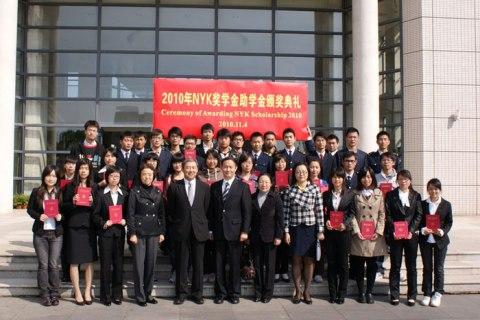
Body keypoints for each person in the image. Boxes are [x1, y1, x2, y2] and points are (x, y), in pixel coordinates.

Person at [166, 159, 210, 305]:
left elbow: (206, 209)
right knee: (181, 263)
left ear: (197, 170)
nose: (191, 170)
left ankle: (198, 293)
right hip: (181, 230)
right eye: (188, 167)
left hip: (199, 229)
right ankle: (181, 293)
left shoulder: (204, 187)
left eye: (193, 168)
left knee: (198, 263)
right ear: (183, 169)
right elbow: (170, 210)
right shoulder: (174, 187)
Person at [208, 157, 252, 305]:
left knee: (234, 263)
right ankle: (220, 292)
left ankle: (234, 292)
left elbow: (247, 212)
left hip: (236, 230)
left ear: (235, 168)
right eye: (225, 167)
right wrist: (210, 229)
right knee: (218, 263)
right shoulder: (214, 186)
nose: (227, 169)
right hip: (219, 230)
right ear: (221, 167)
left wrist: (245, 231)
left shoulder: (243, 187)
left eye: (230, 167)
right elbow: (211, 211)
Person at [283, 163, 324, 304]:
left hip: (310, 228)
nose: (301, 174)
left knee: (309, 260)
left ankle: (307, 290)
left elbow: (319, 211)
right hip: (295, 228)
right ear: (294, 174)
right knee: (296, 260)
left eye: (304, 172)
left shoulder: (315, 189)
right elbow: (286, 212)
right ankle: (297, 290)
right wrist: (286, 231)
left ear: (308, 173)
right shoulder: (290, 190)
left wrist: (320, 230)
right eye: (298, 172)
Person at [127, 164, 166, 306]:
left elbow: (162, 213)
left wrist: (162, 232)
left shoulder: (157, 191)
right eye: (144, 174)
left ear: (154, 176)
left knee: (151, 263)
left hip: (154, 232)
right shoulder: (134, 191)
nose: (147, 177)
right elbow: (130, 214)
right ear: (140, 175)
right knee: (139, 265)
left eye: (150, 174)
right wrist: (132, 233)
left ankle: (148, 293)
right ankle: (140, 295)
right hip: (139, 232)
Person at [61, 158, 97, 305]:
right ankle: (77, 291)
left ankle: (87, 290)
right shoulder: (70, 186)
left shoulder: (94, 187)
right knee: (74, 261)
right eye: (81, 168)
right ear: (77, 170)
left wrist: (93, 202)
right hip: (74, 227)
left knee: (89, 262)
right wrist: (72, 202)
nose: (83, 171)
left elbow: (100, 209)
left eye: (86, 168)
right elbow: (62, 207)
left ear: (90, 171)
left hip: (89, 227)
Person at [384, 169, 423, 306]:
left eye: (406, 179)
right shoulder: (390, 195)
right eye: (401, 179)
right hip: (396, 235)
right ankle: (394, 295)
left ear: (410, 181)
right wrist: (393, 229)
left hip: (411, 236)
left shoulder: (416, 195)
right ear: (397, 180)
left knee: (411, 266)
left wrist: (411, 230)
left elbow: (419, 215)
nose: (403, 181)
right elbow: (388, 215)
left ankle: (412, 295)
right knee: (395, 265)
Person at [349, 168, 387, 304]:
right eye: (364, 177)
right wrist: (356, 230)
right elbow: (351, 214)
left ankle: (369, 292)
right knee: (359, 265)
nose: (367, 179)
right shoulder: (354, 194)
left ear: (373, 178)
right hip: (359, 235)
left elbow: (382, 214)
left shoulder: (379, 194)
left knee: (372, 265)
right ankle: (360, 292)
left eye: (369, 177)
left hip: (374, 236)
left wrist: (378, 231)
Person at [27, 165, 64, 306]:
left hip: (56, 233)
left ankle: (54, 293)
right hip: (40, 233)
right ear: (44, 176)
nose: (51, 178)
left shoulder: (60, 192)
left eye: (54, 175)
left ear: (57, 178)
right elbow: (30, 209)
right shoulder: (37, 191)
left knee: (54, 264)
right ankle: (44, 294)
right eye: (49, 175)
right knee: (43, 264)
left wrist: (61, 216)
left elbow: (66, 209)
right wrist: (38, 216)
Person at [92, 166, 128, 306]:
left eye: (117, 176)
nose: (114, 178)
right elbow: (94, 215)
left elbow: (129, 213)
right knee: (105, 265)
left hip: (119, 233)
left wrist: (126, 221)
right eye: (112, 176)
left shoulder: (125, 193)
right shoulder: (100, 194)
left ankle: (117, 294)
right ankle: (105, 295)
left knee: (119, 265)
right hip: (105, 234)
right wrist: (104, 223)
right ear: (107, 177)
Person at [419, 178, 453, 308]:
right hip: (426, 241)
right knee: (427, 268)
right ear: (428, 190)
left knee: (438, 268)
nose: (433, 191)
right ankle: (427, 293)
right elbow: (419, 220)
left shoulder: (446, 204)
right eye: (431, 188)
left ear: (440, 190)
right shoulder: (423, 204)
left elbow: (449, 222)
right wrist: (423, 229)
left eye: (436, 189)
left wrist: (442, 231)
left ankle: (438, 293)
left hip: (440, 241)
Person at [250, 174, 284, 303]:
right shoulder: (252, 197)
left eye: (266, 182)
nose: (264, 184)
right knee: (257, 266)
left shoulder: (275, 198)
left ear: (271, 184)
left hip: (271, 237)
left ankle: (268, 293)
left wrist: (278, 236)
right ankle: (258, 292)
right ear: (257, 184)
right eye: (261, 182)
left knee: (270, 267)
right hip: (255, 237)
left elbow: (280, 219)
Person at [323, 168, 354, 304]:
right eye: (334, 177)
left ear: (343, 179)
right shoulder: (326, 195)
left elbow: (353, 213)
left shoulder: (350, 194)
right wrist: (326, 221)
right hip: (330, 233)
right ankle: (332, 293)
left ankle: (342, 293)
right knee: (331, 264)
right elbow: (324, 212)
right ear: (331, 179)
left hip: (343, 233)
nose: (337, 180)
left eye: (339, 177)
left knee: (343, 264)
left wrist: (345, 224)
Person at [197, 149, 222, 283]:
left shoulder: (224, 174)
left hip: (218, 214)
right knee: (204, 245)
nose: (211, 161)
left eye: (214, 158)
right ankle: (205, 270)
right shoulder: (199, 175)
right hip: (202, 213)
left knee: (215, 245)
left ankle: (214, 271)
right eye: (209, 158)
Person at [307, 157, 328, 283]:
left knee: (320, 245)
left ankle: (318, 272)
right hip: (306, 218)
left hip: (320, 217)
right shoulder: (304, 181)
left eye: (316, 167)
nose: (314, 169)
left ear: (320, 169)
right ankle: (308, 271)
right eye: (312, 167)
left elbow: (325, 202)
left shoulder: (324, 183)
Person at [272, 153, 290, 283]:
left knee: (286, 244)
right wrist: (275, 191)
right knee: (276, 243)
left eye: (283, 162)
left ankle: (284, 270)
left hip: (288, 214)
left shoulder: (291, 178)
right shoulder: (271, 179)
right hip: (274, 216)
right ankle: (276, 270)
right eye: (278, 162)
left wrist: (289, 190)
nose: (280, 164)